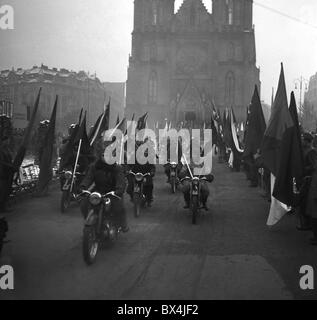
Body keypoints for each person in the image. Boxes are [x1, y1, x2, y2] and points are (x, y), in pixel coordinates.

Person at [79, 140, 129, 232]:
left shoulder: (117, 168)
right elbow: (88, 178)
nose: (105, 157)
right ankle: (91, 219)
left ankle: (122, 224)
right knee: (84, 203)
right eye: (103, 155)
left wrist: (118, 191)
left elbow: (120, 182)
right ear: (100, 156)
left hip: (113, 192)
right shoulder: (94, 166)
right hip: (98, 190)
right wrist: (83, 187)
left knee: (118, 207)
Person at [126, 140, 156, 206]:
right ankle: (132, 196)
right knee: (130, 187)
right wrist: (127, 171)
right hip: (135, 174)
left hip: (145, 174)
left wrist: (152, 172)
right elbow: (129, 165)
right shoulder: (133, 157)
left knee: (149, 185)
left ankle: (149, 199)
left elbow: (152, 166)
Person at [298, 132, 317, 231]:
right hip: (305, 179)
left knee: (305, 202)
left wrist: (303, 168)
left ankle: (307, 224)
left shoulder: (311, 152)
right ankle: (306, 223)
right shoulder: (306, 150)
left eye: (303, 139)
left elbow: (314, 166)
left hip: (309, 180)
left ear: (307, 141)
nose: (302, 141)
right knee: (303, 202)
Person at [0, 136, 16, 213]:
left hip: (8, 172)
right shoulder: (1, 150)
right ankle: (2, 207)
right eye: (6, 141)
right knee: (3, 190)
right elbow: (2, 162)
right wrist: (10, 166)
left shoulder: (7, 149)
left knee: (7, 190)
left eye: (8, 141)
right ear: (2, 141)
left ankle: (4, 206)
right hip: (3, 172)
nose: (7, 142)